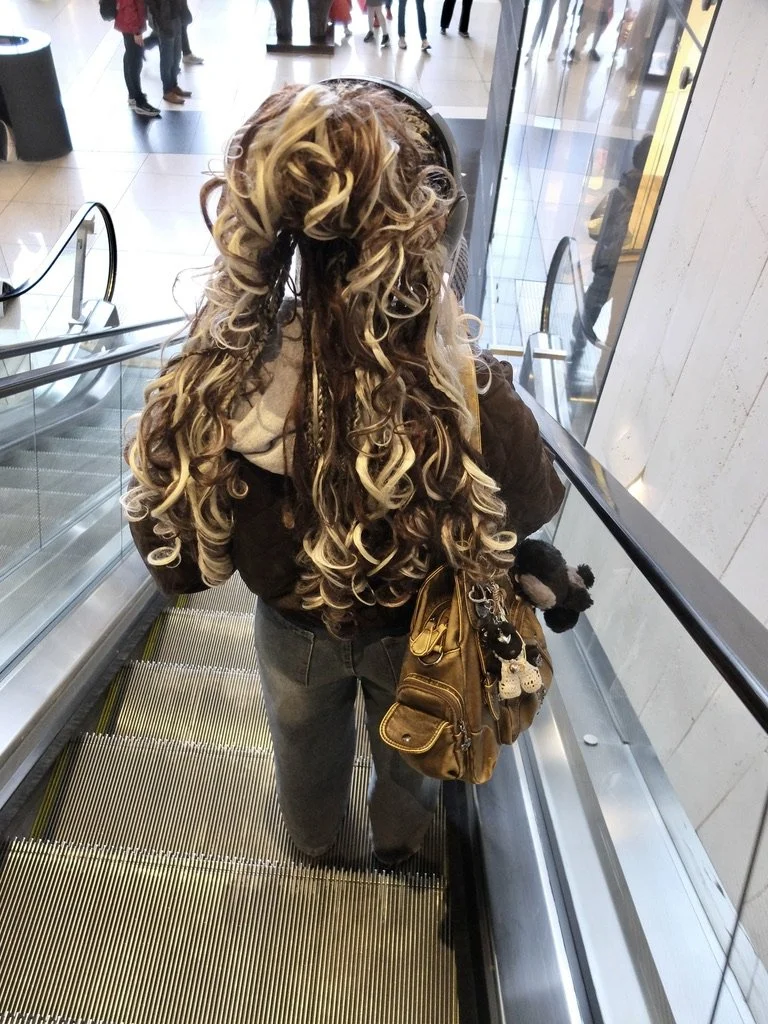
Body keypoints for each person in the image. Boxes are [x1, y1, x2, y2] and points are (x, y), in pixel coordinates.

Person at [124, 80, 564, 865]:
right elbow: (529, 500)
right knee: (413, 749)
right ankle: (399, 845)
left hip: (292, 627)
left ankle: (314, 847)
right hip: (412, 628)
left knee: (300, 748)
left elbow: (176, 561)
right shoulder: (454, 377)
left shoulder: (220, 382)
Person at [572, 134, 652, 356]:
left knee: (586, 317)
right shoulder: (647, 199)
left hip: (607, 269)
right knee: (614, 328)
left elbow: (594, 229)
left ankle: (575, 352)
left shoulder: (619, 192)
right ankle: (595, 360)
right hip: (625, 272)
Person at [115, 0, 160, 117]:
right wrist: (136, 30)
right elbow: (129, 6)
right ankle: (138, 100)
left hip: (130, 22)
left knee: (131, 56)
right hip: (131, 24)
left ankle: (133, 95)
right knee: (134, 61)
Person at [144, 0, 192, 104]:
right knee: (167, 59)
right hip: (164, 21)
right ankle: (167, 91)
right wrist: (160, 21)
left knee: (176, 56)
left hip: (176, 17)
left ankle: (174, 85)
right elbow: (150, 4)